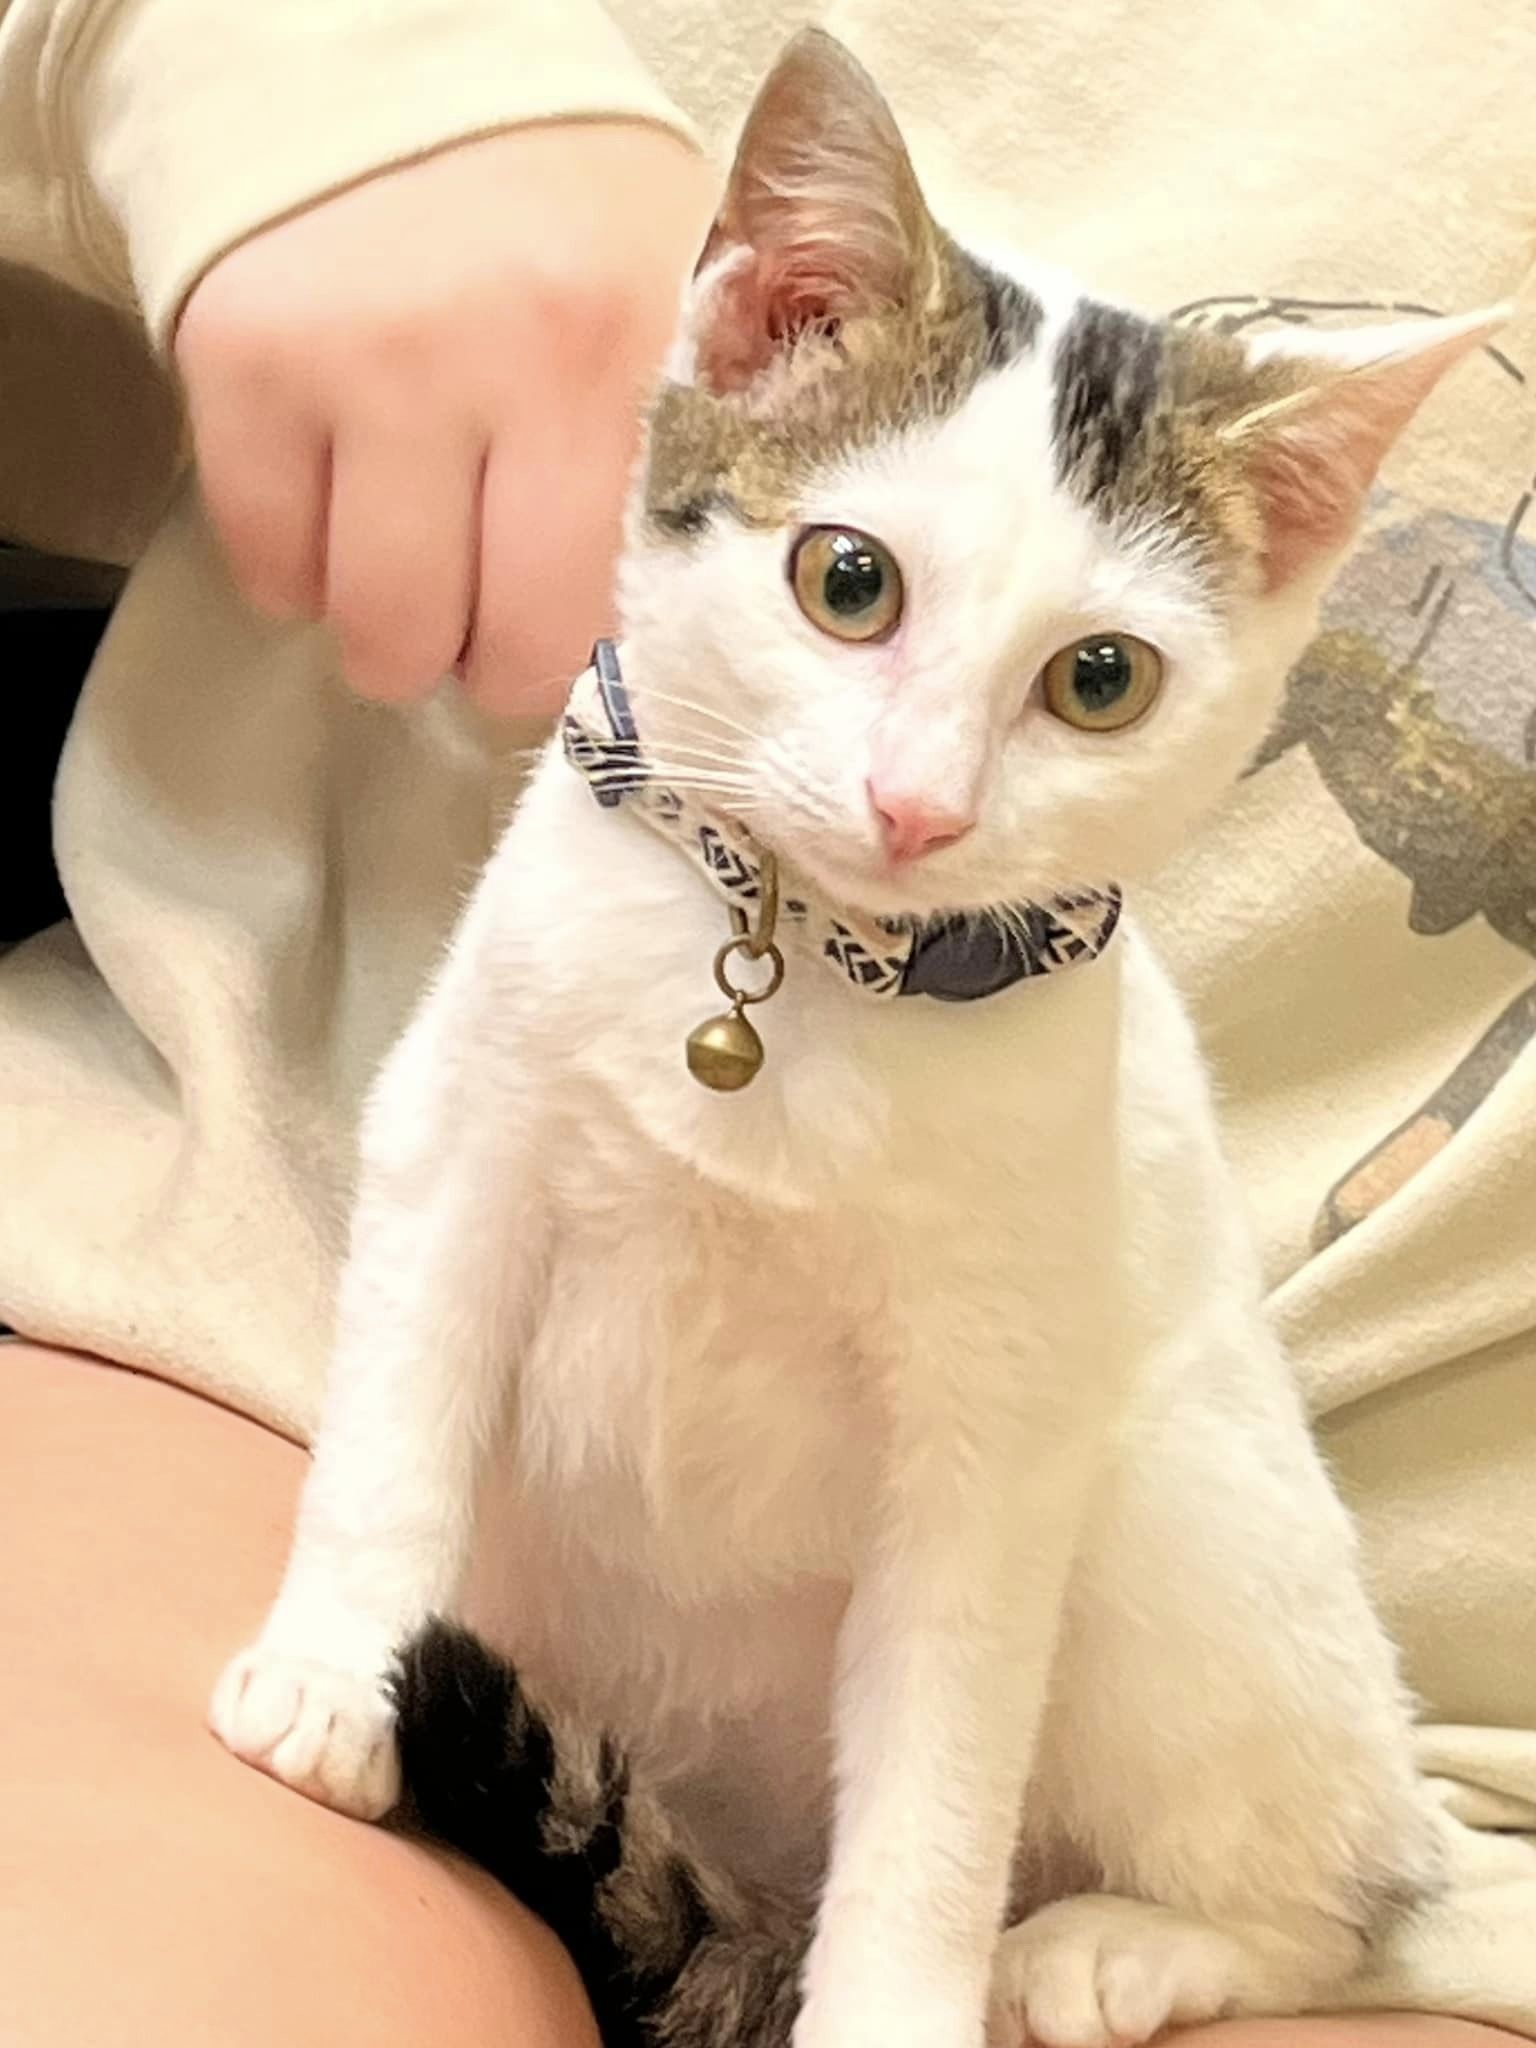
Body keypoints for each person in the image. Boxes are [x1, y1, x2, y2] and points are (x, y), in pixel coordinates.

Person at [1, 1, 1533, 2042]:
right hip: (529, 1634)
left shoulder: (1056, 1024)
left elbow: (984, 1511)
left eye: (1093, 686)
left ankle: (1260, 1914)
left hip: (1120, 1804)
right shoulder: (608, 825)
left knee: (1091, 1481)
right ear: (750, 328)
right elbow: (453, 1182)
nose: (919, 798)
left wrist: (894, 1987)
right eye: (847, 585)